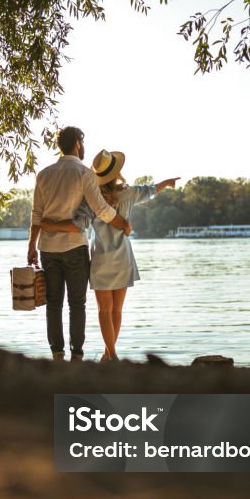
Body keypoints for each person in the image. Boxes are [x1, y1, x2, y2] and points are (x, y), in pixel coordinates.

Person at [42, 149, 178, 361]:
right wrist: (167, 183)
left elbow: (77, 225)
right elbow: (150, 190)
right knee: (117, 310)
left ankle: (110, 354)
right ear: (117, 172)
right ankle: (110, 353)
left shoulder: (91, 200)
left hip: (101, 259)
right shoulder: (129, 193)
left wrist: (50, 224)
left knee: (104, 310)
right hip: (123, 256)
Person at [28, 128, 131, 361]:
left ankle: (56, 354)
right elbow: (102, 210)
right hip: (75, 248)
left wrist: (31, 246)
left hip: (48, 249)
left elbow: (36, 214)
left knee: (53, 303)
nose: (83, 146)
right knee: (77, 304)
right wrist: (123, 223)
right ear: (76, 144)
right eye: (82, 142)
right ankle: (76, 356)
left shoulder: (43, 174)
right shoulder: (85, 174)